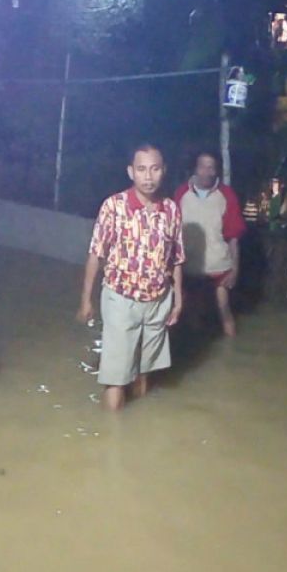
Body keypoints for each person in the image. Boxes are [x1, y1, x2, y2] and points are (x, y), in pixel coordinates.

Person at [78, 144, 185, 411]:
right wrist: (86, 300)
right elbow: (96, 254)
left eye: (155, 169)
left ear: (164, 171)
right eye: (141, 169)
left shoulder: (171, 210)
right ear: (130, 172)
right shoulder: (114, 207)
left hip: (159, 301)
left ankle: (136, 434)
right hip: (120, 299)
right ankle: (112, 438)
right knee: (115, 377)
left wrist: (178, 299)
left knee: (145, 369)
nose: (148, 177)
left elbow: (176, 259)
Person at [174, 151, 247, 336]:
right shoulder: (181, 193)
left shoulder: (227, 195)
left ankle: (232, 351)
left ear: (216, 171)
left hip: (218, 265)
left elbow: (233, 237)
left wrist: (235, 269)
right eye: (202, 166)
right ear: (195, 168)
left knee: (225, 313)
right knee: (190, 315)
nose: (206, 171)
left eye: (211, 167)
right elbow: (172, 233)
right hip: (189, 266)